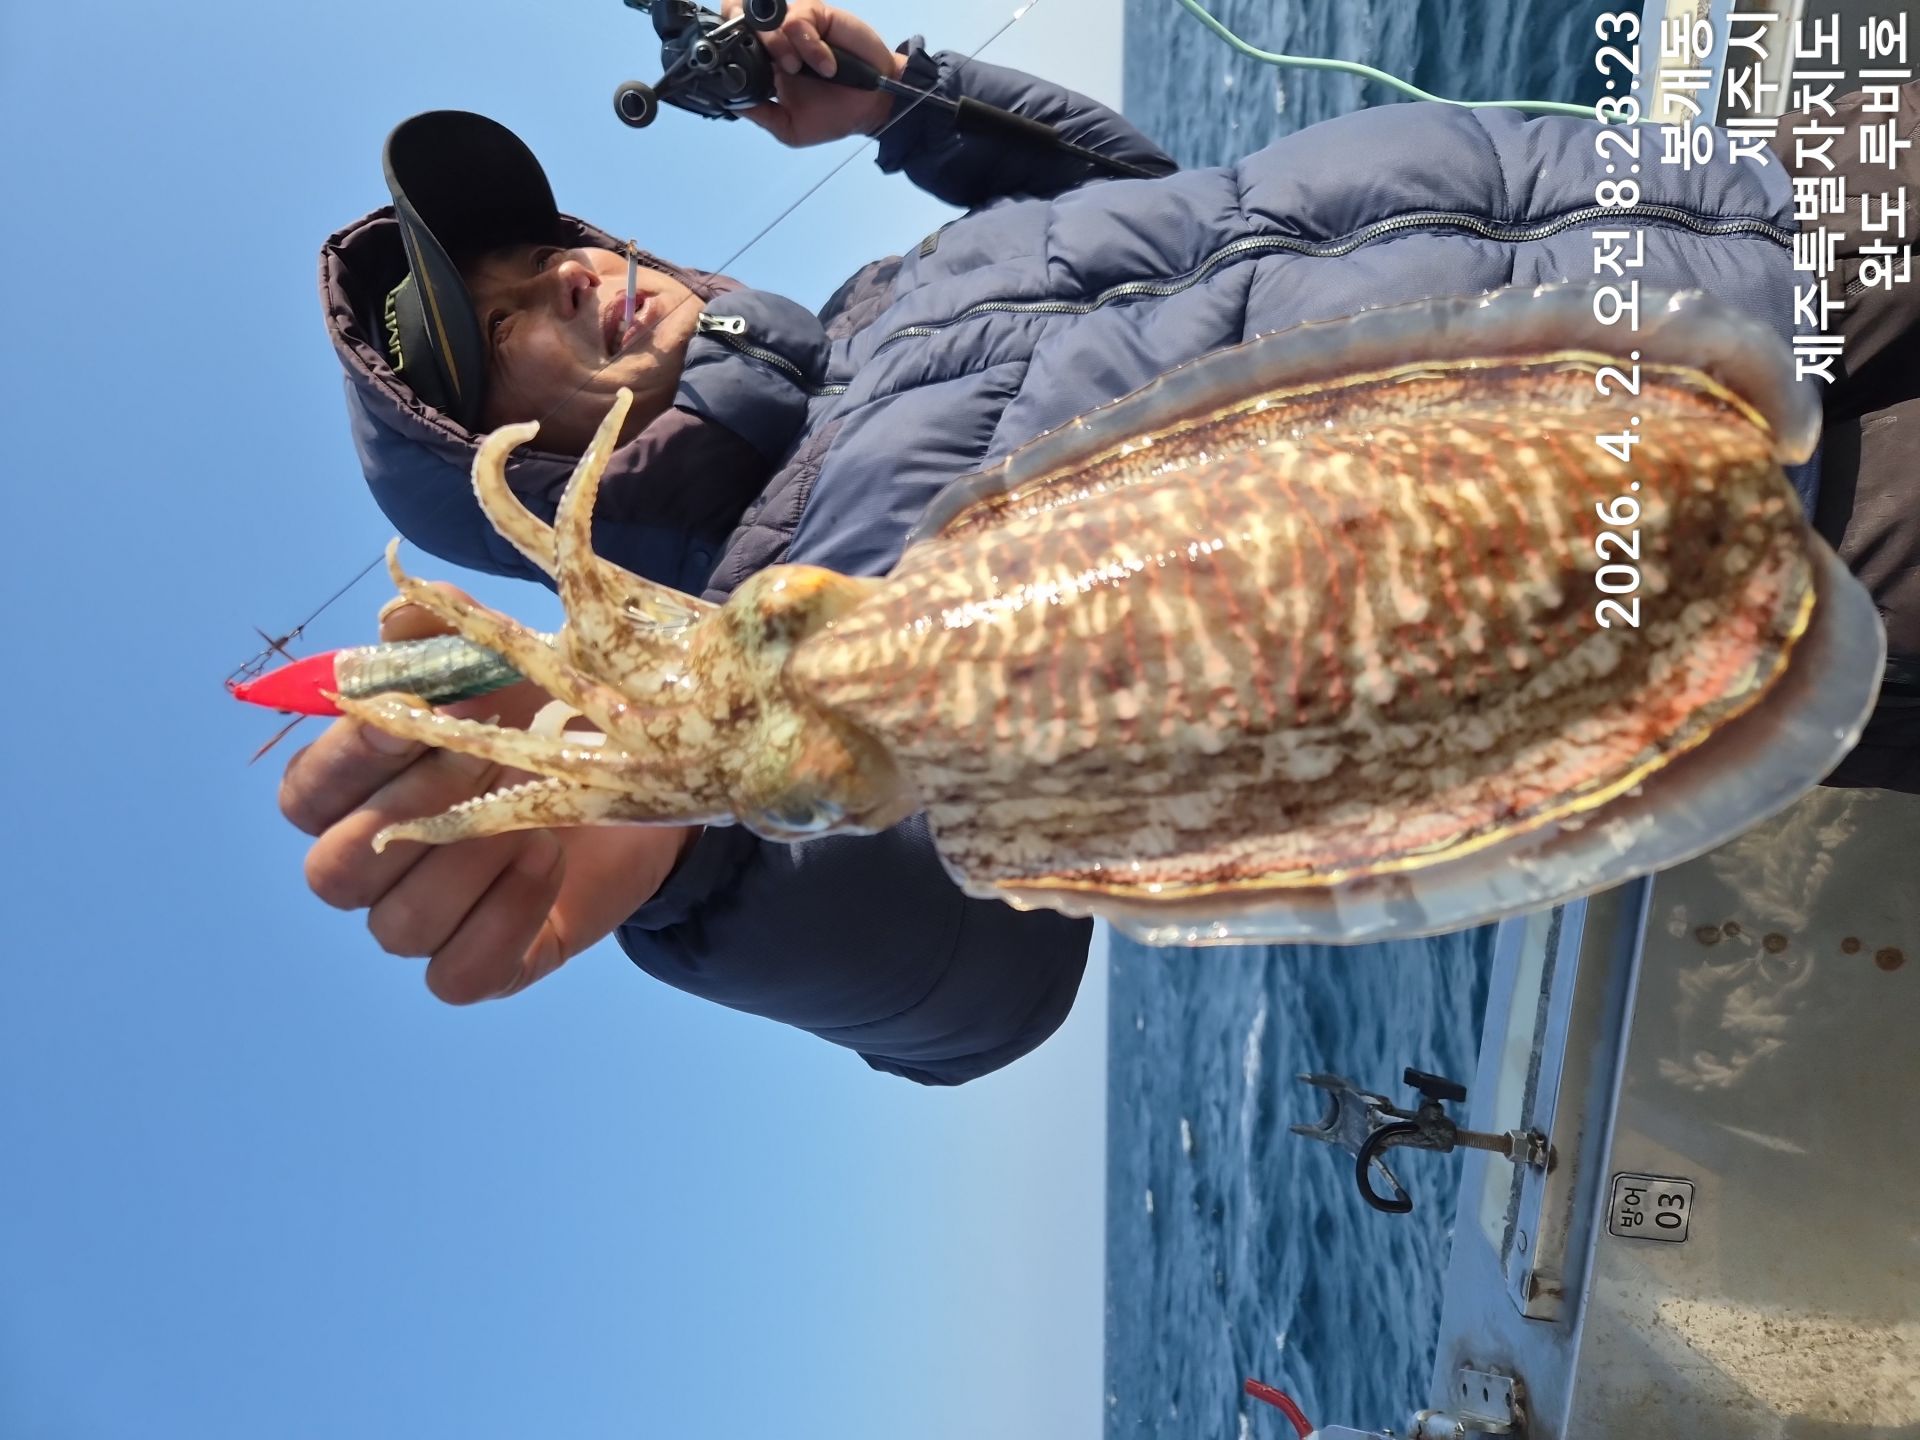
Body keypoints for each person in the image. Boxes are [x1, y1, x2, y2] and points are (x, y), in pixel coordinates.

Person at [286, 2, 1857, 1082]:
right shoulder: (793, 605)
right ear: (511, 467)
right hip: (1704, 522)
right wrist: (696, 851)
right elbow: (974, 980)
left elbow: (1176, 215)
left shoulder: (895, 294)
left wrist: (902, 97)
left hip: (1739, 206)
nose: (564, 275)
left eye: (544, 247)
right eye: (505, 327)